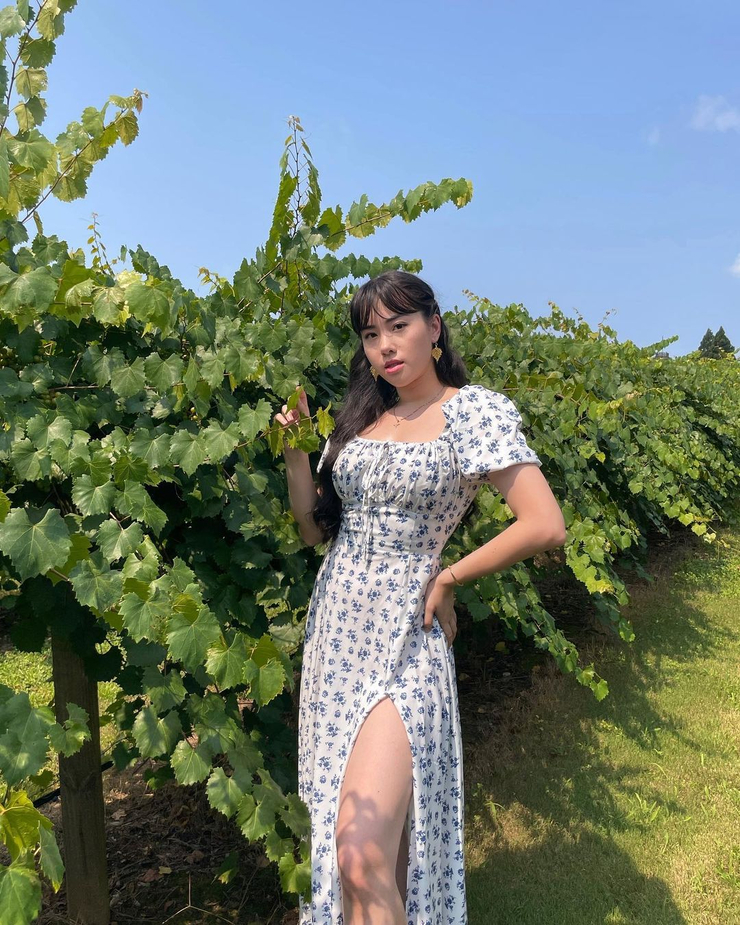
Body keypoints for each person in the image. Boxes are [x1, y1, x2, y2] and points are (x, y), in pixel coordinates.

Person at [276, 270, 566, 924]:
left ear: (434, 327)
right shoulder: (359, 419)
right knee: (359, 853)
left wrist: (449, 576)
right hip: (336, 637)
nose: (384, 345)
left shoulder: (471, 412)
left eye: (398, 326)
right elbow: (313, 530)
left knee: (360, 856)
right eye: (370, 334)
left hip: (406, 641)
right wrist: (296, 456)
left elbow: (544, 522)